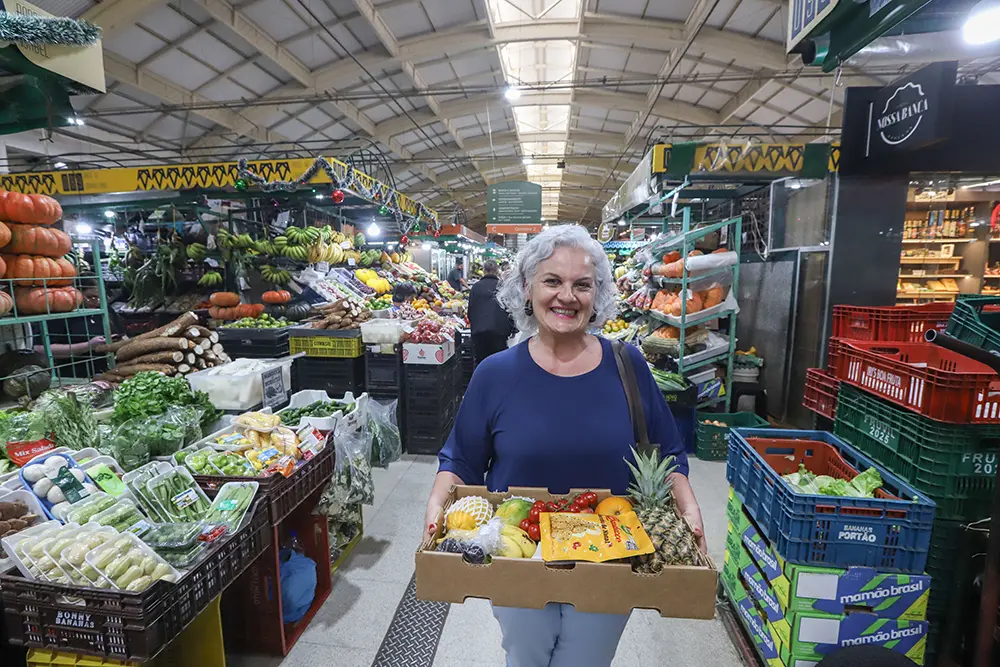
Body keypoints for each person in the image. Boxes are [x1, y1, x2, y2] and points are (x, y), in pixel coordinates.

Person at [423, 224, 705, 667]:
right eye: (552, 281)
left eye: (582, 285)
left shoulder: (627, 365)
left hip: (611, 555)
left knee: (588, 660)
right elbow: (461, 458)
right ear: (527, 287)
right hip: (519, 554)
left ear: (598, 295)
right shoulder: (495, 374)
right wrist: (439, 501)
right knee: (527, 657)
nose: (566, 296)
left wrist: (688, 506)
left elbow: (667, 452)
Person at [467, 259, 513, 365]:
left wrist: (475, 326)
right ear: (497, 270)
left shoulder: (476, 287)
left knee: (481, 362)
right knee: (499, 363)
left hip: (479, 332)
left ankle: (482, 380)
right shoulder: (502, 286)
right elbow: (510, 309)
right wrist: (510, 329)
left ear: (484, 270)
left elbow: (471, 310)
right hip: (499, 332)